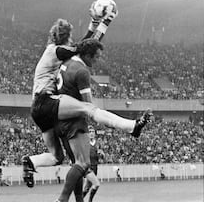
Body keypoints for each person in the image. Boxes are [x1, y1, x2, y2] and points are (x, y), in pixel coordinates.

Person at [23, 14, 152, 187]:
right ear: (65, 38)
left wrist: (94, 26)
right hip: (46, 102)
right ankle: (131, 127)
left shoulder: (55, 52)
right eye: (70, 39)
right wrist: (102, 24)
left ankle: (30, 162)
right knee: (87, 108)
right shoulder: (55, 50)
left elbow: (81, 46)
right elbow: (82, 48)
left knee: (57, 157)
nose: (72, 42)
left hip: (38, 111)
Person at [54, 39, 104, 202]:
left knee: (76, 163)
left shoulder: (67, 62)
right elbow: (88, 104)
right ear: (88, 55)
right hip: (74, 120)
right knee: (83, 163)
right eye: (96, 57)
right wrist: (101, 119)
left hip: (59, 117)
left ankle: (79, 200)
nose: (97, 61)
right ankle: (62, 199)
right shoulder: (82, 71)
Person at [82, 125, 104, 202]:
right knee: (96, 184)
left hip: (95, 167)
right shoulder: (84, 143)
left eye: (92, 132)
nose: (91, 133)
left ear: (95, 133)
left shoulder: (98, 144)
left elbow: (101, 159)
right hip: (88, 167)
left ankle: (80, 200)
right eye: (89, 132)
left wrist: (101, 155)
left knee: (87, 188)